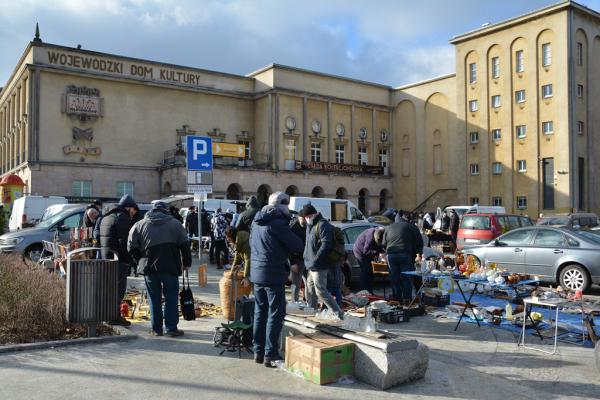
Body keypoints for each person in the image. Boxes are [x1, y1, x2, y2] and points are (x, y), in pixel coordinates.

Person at [250, 192, 303, 367]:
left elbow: (253, 244)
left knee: (260, 312)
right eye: (286, 206)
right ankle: (270, 354)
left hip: (257, 273)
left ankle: (258, 351)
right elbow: (297, 245)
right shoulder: (278, 224)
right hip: (272, 273)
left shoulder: (257, 222)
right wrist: (294, 228)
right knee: (275, 313)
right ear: (281, 206)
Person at [128, 201, 192, 337]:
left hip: (149, 268)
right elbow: (185, 245)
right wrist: (187, 263)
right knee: (171, 297)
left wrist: (140, 261)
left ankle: (156, 329)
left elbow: (131, 247)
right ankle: (171, 328)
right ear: (165, 210)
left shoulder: (139, 224)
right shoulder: (176, 224)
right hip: (170, 267)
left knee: (154, 298)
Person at [99, 194, 137, 326]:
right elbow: (124, 242)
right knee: (118, 290)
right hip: (119, 259)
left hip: (107, 258)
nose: (134, 212)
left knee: (109, 288)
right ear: (128, 207)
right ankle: (114, 317)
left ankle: (107, 314)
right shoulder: (122, 217)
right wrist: (129, 260)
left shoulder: (107, 216)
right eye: (133, 209)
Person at [301, 204, 344, 319]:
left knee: (321, 291)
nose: (305, 220)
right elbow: (308, 245)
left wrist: (315, 260)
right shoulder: (311, 225)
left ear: (309, 216)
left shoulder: (322, 225)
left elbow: (326, 245)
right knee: (310, 291)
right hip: (311, 265)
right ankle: (313, 311)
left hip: (319, 266)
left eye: (305, 217)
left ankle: (338, 313)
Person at [382, 216, 423, 304]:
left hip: (391, 255)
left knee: (394, 278)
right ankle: (407, 300)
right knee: (406, 278)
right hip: (405, 254)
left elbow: (383, 244)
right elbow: (419, 242)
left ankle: (397, 300)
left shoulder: (388, 227)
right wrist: (418, 254)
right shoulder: (411, 226)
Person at [353, 227, 385, 293]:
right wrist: (378, 253)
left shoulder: (381, 233)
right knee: (365, 271)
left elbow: (380, 246)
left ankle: (369, 291)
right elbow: (365, 251)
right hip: (360, 251)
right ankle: (363, 291)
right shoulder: (370, 237)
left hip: (368, 252)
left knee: (371, 272)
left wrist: (382, 251)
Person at [288, 214, 307, 302]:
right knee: (296, 283)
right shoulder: (292, 228)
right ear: (299, 217)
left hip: (307, 259)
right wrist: (292, 262)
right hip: (297, 260)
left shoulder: (307, 226)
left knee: (309, 283)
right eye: (303, 218)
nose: (304, 220)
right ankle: (294, 302)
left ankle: (308, 302)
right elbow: (288, 247)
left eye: (305, 218)